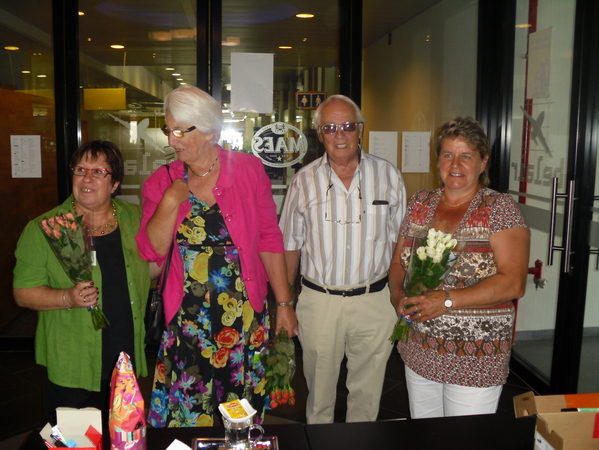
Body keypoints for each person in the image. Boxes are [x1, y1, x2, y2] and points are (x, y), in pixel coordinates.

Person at [136, 85, 298, 427]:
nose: (172, 139)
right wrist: (169, 202)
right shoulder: (161, 181)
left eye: (181, 130)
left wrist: (284, 305)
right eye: (169, 130)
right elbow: (151, 252)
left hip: (243, 316)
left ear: (209, 130)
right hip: (187, 320)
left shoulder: (249, 170)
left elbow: (269, 239)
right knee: (191, 409)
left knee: (240, 409)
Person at [389, 117, 530, 418]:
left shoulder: (499, 209)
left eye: (466, 155)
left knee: (464, 440)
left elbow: (513, 283)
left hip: (475, 353)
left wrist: (448, 300)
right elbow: (398, 263)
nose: (455, 163)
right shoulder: (420, 202)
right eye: (448, 154)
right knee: (426, 436)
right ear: (438, 160)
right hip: (420, 347)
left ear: (483, 163)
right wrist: (397, 296)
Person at [279, 94, 406, 424]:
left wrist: (399, 295)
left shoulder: (389, 176)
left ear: (360, 130)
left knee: (367, 396)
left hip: (375, 301)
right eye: (330, 127)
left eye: (348, 126)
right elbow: (290, 245)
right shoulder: (303, 181)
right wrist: (285, 304)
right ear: (320, 134)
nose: (340, 135)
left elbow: (402, 244)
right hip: (320, 303)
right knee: (319, 397)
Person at [13, 140, 153, 437]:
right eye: (80, 170)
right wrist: (66, 297)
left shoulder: (134, 218)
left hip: (124, 363)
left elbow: (153, 264)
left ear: (115, 183)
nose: (87, 178)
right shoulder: (46, 227)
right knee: (76, 444)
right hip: (71, 364)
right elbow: (23, 292)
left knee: (123, 439)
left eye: (99, 171)